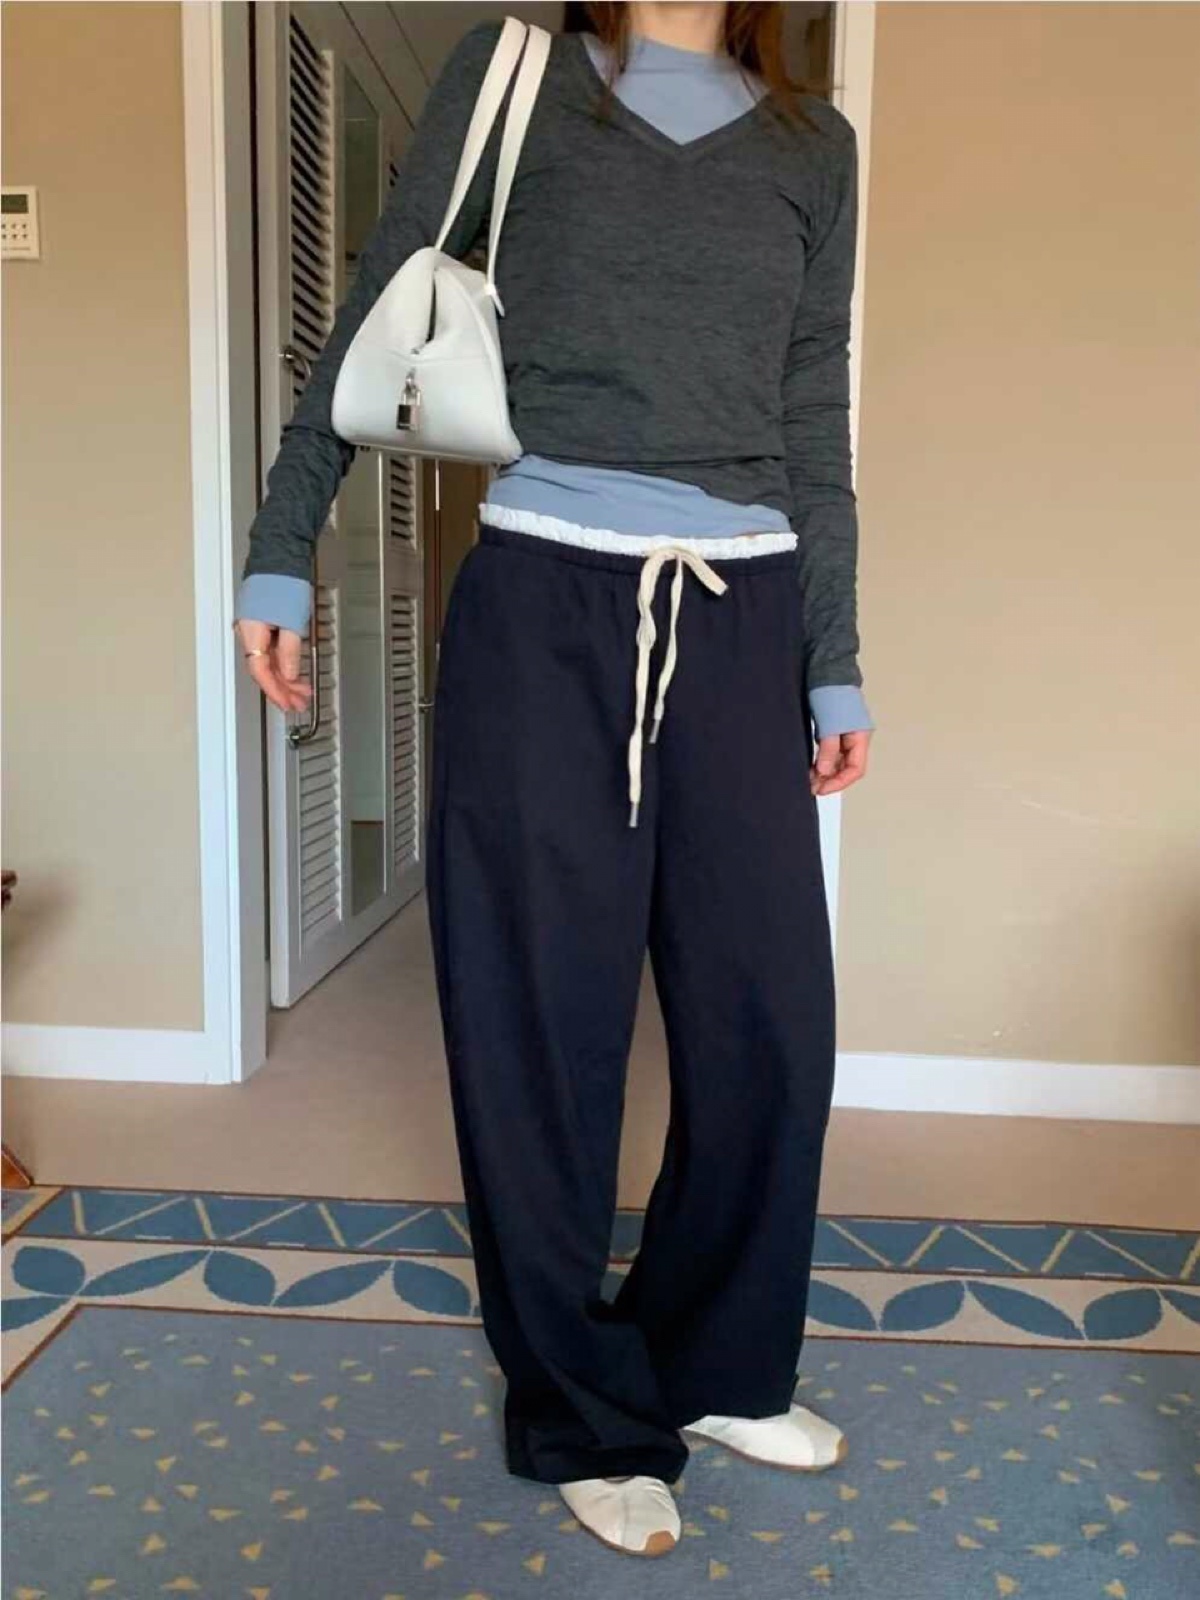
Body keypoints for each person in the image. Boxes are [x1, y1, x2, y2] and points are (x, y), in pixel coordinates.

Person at [235, 0, 873, 1559]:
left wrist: (834, 657)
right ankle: (583, 1414)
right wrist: (281, 549)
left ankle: (716, 1363)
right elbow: (379, 307)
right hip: (542, 602)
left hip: (743, 612)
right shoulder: (514, 75)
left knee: (769, 1024)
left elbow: (813, 411)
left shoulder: (815, 145)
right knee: (541, 1020)